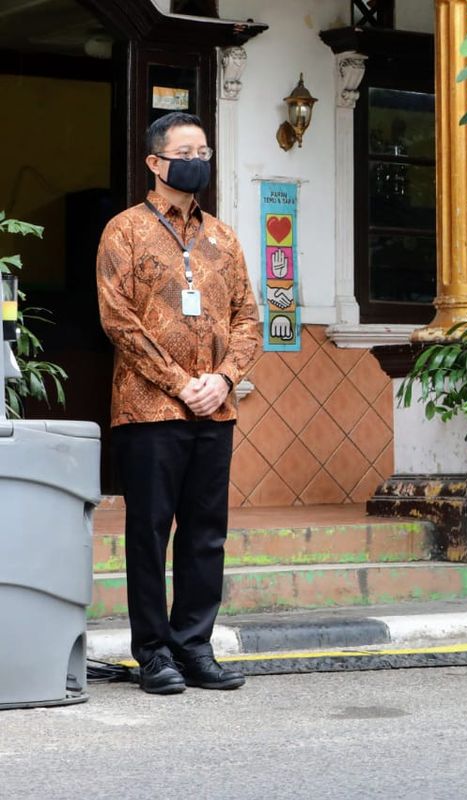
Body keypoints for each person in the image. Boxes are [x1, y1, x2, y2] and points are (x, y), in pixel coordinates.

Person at [96, 112, 261, 695]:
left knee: (205, 533)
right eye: (185, 152)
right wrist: (179, 381)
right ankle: (153, 653)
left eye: (204, 152)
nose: (197, 161)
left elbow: (248, 320)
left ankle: (194, 647)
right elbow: (118, 318)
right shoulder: (124, 231)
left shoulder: (223, 237)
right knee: (149, 532)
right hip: (146, 410)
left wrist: (223, 378)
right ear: (155, 162)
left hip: (215, 409)